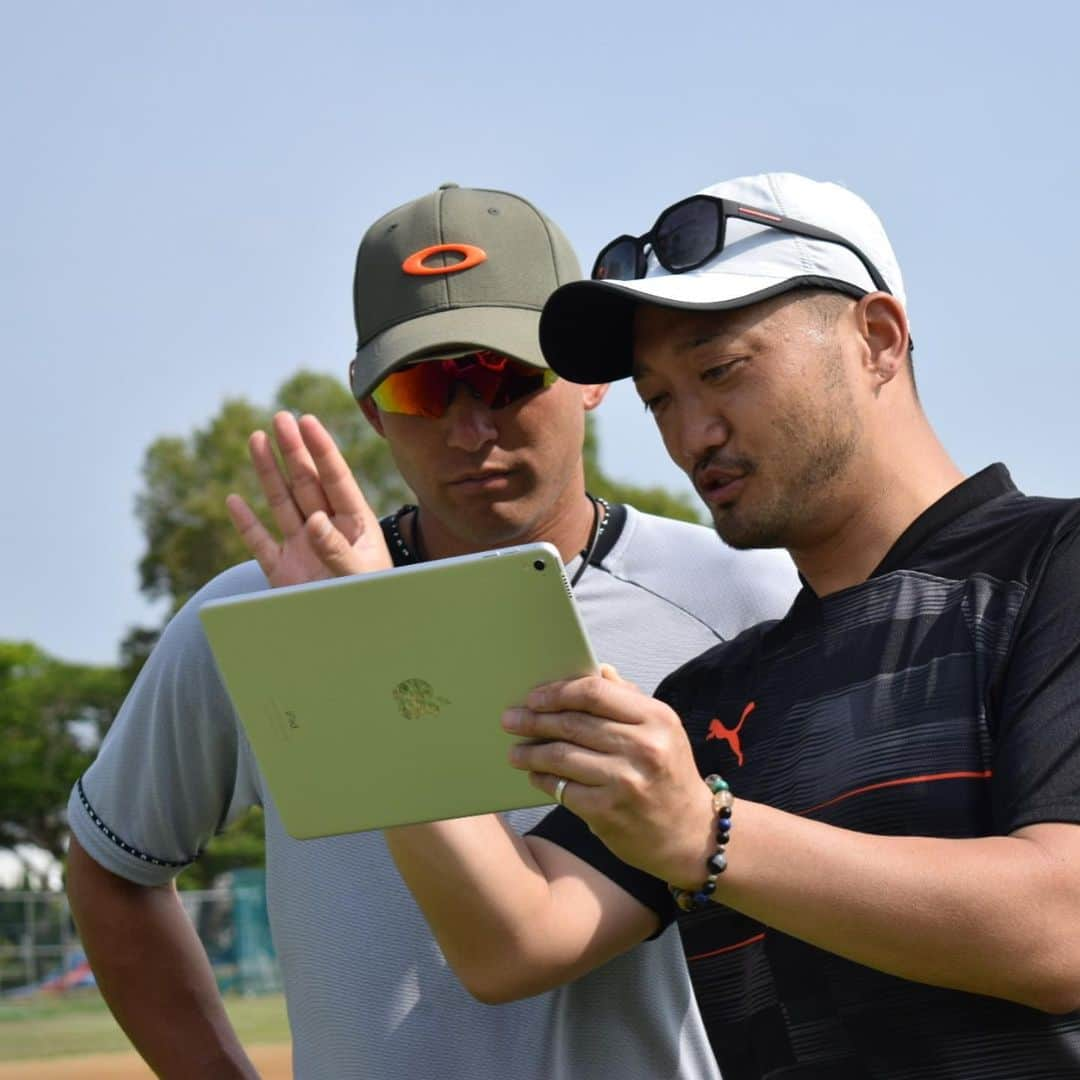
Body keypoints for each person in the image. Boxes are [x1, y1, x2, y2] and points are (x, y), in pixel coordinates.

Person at [65, 183, 798, 1079]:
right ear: (371, 408)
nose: (471, 428)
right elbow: (110, 866)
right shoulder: (255, 618)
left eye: (507, 375)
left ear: (591, 377)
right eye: (425, 385)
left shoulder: (746, 595)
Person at [372, 173, 1080, 1077]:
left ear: (877, 339)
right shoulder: (711, 697)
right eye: (659, 396)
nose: (691, 433)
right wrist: (372, 636)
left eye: (720, 369)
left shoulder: (1052, 566)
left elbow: (1063, 924)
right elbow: (512, 941)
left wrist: (708, 838)